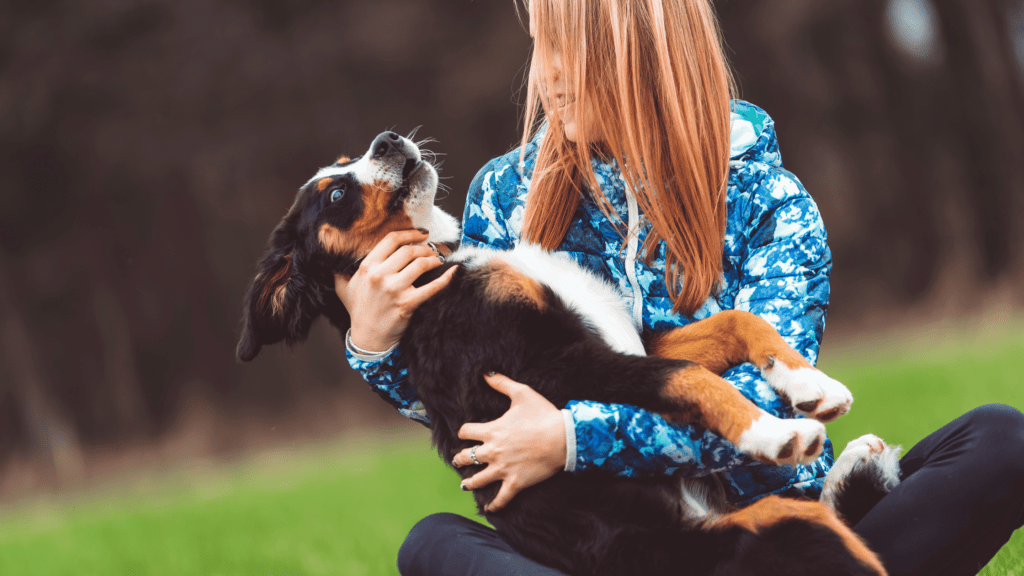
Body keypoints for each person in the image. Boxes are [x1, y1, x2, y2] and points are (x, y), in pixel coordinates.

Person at [333, 0, 1024, 574]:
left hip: (769, 538)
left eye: (571, 51)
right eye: (541, 49)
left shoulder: (772, 203)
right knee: (434, 546)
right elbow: (477, 410)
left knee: (1001, 440)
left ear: (642, 55)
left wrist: (573, 437)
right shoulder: (501, 200)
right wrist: (376, 345)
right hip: (617, 547)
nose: (549, 78)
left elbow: (755, 405)